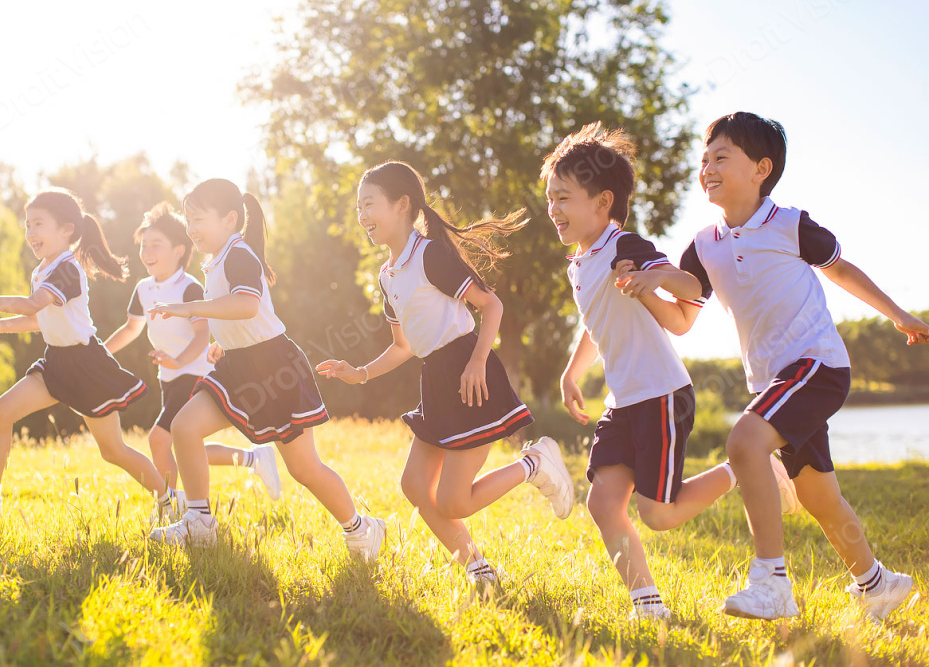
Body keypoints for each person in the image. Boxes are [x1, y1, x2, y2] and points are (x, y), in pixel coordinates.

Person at [620, 112, 929, 621]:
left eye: (721, 157)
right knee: (816, 494)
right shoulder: (703, 244)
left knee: (744, 442)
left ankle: (771, 581)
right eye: (704, 160)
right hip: (772, 384)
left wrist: (899, 315)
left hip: (816, 366)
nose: (707, 168)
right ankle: (878, 583)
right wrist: (647, 285)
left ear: (761, 168)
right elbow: (683, 315)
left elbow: (843, 271)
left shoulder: (789, 224)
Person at [544, 122, 796, 619]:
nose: (553, 209)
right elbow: (597, 323)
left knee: (657, 513)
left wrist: (650, 277)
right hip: (623, 401)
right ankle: (647, 603)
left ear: (601, 203)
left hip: (661, 394)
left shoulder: (623, 245)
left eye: (564, 198)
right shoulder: (581, 262)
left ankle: (747, 470)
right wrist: (572, 373)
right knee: (602, 503)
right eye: (550, 198)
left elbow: (686, 286)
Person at [317, 161, 573, 585]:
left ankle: (535, 462)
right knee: (416, 486)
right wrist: (358, 372)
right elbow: (404, 347)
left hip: (469, 373)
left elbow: (492, 306)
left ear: (402, 205)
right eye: (357, 207)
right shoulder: (387, 275)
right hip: (435, 378)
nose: (361, 216)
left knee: (454, 501)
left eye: (368, 204)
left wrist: (476, 361)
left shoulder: (430, 255)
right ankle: (480, 571)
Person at [148, 179, 385, 558]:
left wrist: (189, 308)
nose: (191, 228)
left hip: (275, 369)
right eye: (187, 219)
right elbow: (236, 316)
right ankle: (199, 521)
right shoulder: (217, 259)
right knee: (183, 427)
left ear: (229, 219)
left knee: (304, 469)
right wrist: (221, 343)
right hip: (238, 365)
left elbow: (246, 305)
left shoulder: (239, 253)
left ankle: (361, 529)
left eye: (198, 218)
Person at [0, 188, 172, 520]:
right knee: (0, 412)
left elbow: (31, 305)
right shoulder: (43, 270)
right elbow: (37, 319)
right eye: (27, 225)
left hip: (86, 367)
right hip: (57, 363)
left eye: (38, 224)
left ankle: (169, 501)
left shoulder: (68, 269)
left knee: (113, 451)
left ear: (67, 230)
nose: (30, 233)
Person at [103, 202, 281, 520]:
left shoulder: (189, 288)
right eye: (144, 245)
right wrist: (101, 353)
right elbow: (131, 328)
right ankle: (251, 460)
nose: (147, 251)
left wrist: (178, 359)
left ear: (179, 250)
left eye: (156, 244)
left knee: (160, 439)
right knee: (182, 444)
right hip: (169, 377)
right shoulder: (143, 289)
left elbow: (202, 335)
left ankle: (175, 505)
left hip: (194, 371)